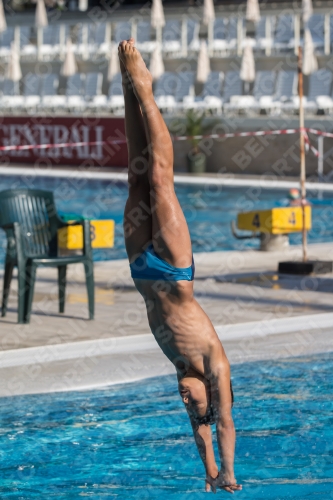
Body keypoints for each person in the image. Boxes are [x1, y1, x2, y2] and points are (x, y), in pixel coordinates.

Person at [119, 38, 242, 495]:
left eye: (190, 406)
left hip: (140, 268)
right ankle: (146, 88)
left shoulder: (183, 378)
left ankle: (128, 89)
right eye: (197, 404)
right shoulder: (215, 367)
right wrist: (228, 472)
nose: (188, 403)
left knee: (134, 175)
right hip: (172, 268)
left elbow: (201, 430)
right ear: (212, 394)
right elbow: (224, 425)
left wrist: (208, 473)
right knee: (157, 177)